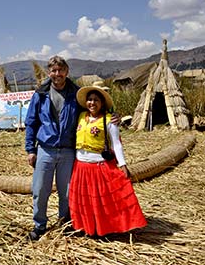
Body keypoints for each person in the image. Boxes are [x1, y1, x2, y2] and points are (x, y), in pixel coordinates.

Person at [69, 86, 147, 236]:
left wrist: (122, 164)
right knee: (86, 201)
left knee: (102, 200)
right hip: (80, 166)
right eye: (90, 100)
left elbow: (116, 143)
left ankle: (105, 228)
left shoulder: (110, 120)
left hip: (98, 165)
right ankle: (87, 227)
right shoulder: (80, 116)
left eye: (96, 100)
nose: (92, 103)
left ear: (102, 103)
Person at [25, 55, 79, 241]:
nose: (57, 74)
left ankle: (65, 223)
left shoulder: (76, 94)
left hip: (68, 150)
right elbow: (31, 123)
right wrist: (30, 149)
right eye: (54, 71)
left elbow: (93, 111)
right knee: (40, 189)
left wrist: (113, 116)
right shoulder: (40, 94)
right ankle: (40, 225)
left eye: (61, 70)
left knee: (67, 191)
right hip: (45, 149)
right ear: (49, 72)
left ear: (66, 71)